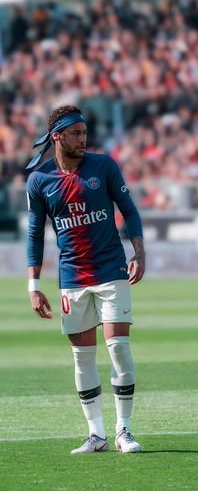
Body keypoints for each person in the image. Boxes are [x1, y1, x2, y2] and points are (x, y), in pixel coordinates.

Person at [26, 104, 145, 454]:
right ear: (57, 136)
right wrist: (33, 286)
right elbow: (35, 235)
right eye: (76, 133)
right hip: (72, 277)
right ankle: (97, 436)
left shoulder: (104, 166)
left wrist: (139, 252)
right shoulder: (39, 180)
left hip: (111, 270)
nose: (83, 139)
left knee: (119, 349)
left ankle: (124, 430)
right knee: (82, 358)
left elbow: (130, 211)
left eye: (84, 132)